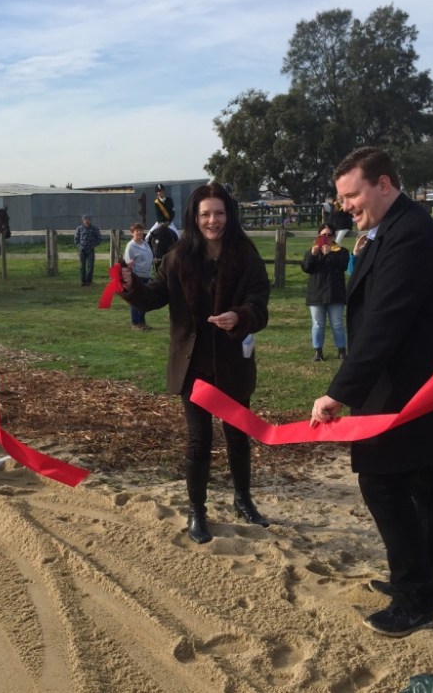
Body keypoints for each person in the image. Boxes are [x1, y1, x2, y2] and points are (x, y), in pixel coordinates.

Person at [310, 147, 433, 638]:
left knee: (384, 484)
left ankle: (413, 597)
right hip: (418, 392)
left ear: (383, 184)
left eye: (353, 194)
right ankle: (431, 585)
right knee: (427, 486)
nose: (346, 205)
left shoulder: (409, 236)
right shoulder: (394, 230)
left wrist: (339, 392)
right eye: (342, 197)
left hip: (407, 395)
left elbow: (385, 323)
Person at [120, 182, 271, 544]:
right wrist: (130, 286)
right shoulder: (178, 257)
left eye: (219, 213)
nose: (213, 220)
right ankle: (197, 510)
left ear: (228, 215)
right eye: (205, 214)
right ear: (194, 217)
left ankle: (242, 499)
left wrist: (240, 316)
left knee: (237, 436)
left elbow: (260, 305)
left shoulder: (246, 256)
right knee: (198, 440)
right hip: (193, 368)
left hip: (232, 363)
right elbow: (153, 296)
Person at [302, 223, 349, 361]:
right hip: (316, 293)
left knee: (337, 323)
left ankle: (341, 350)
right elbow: (306, 268)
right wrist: (313, 255)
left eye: (329, 235)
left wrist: (330, 255)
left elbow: (343, 267)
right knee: (317, 324)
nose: (326, 238)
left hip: (335, 292)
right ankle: (318, 351)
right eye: (323, 235)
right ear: (318, 236)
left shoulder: (341, 251)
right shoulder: (312, 251)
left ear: (334, 237)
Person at [122, 223, 153, 330]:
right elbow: (128, 263)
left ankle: (142, 322)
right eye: (136, 231)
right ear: (132, 233)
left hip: (147, 276)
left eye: (140, 230)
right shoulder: (131, 246)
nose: (139, 233)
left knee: (144, 300)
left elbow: (149, 258)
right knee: (136, 300)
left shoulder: (146, 244)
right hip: (137, 277)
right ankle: (135, 323)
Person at [73, 214, 101, 286]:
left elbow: (99, 239)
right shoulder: (79, 229)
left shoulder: (95, 228)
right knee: (82, 266)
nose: (86, 221)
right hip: (82, 250)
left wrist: (93, 245)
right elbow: (76, 240)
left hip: (90, 249)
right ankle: (83, 281)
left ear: (89, 220)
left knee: (90, 266)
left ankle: (89, 281)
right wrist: (80, 247)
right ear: (83, 221)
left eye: (87, 220)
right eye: (84, 220)